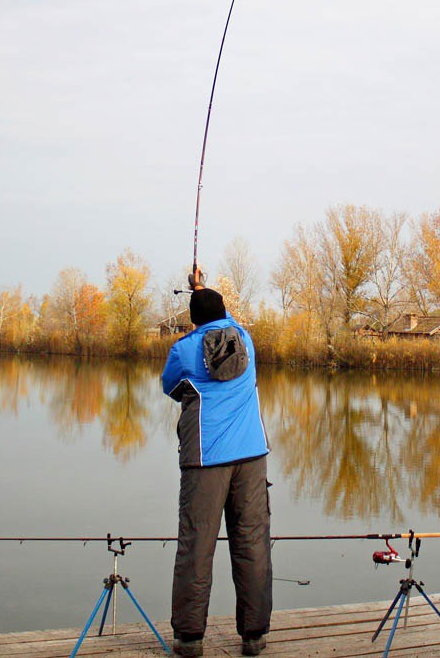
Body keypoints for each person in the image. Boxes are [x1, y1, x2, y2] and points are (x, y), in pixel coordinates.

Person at [161, 270, 272, 657]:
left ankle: (190, 640)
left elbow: (172, 388)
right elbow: (227, 320)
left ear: (193, 319)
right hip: (252, 457)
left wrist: (196, 295)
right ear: (225, 310)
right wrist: (201, 288)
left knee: (196, 546)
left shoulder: (183, 350)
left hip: (206, 460)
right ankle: (254, 637)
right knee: (252, 543)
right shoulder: (246, 340)